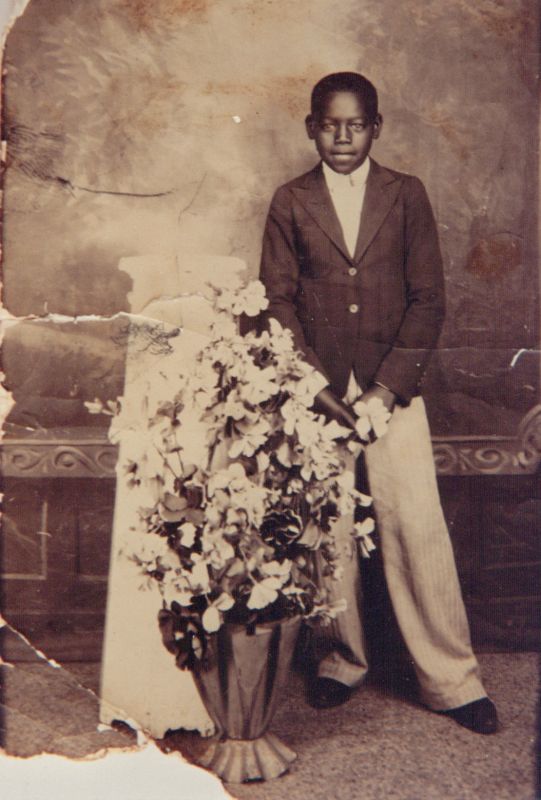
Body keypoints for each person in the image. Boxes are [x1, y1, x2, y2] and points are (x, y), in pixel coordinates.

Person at [258, 71, 499, 734]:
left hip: (393, 388)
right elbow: (276, 302)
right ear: (311, 127)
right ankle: (340, 659)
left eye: (356, 124)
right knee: (329, 525)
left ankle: (451, 678)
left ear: (375, 128)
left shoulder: (405, 194)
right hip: (321, 391)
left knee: (413, 524)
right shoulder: (290, 200)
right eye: (329, 124)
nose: (343, 136)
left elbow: (428, 298)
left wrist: (386, 389)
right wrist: (317, 389)